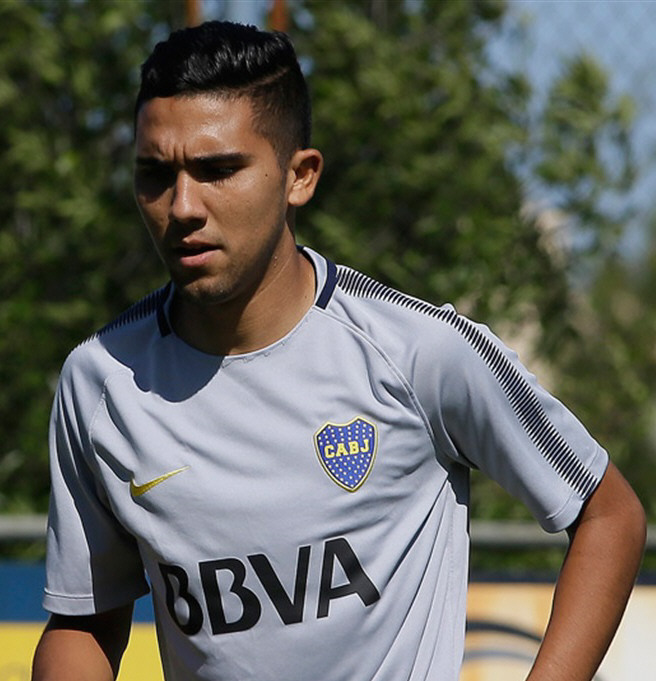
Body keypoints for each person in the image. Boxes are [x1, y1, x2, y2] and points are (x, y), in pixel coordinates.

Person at [32, 20, 645, 681]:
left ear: (300, 176)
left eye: (218, 170)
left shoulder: (419, 352)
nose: (182, 206)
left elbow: (608, 514)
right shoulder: (100, 380)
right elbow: (86, 620)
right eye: (155, 174)